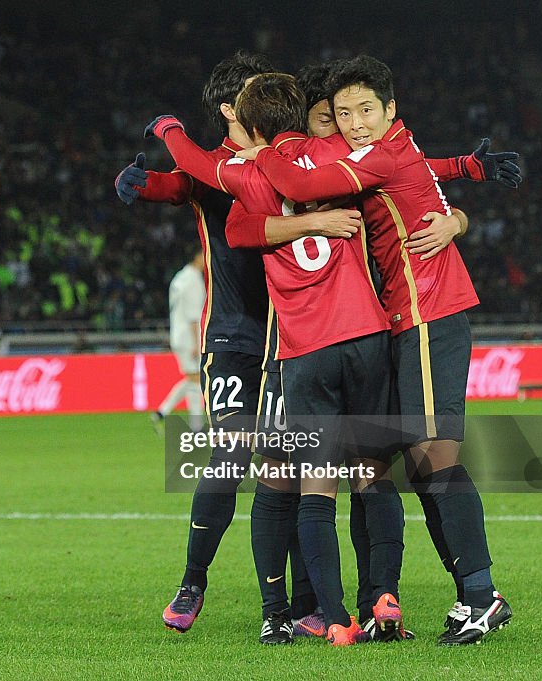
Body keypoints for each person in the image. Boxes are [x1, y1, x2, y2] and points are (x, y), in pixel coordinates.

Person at [239, 55, 513, 645]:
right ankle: (467, 595)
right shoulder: (384, 151)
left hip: (427, 312)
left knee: (435, 459)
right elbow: (424, 172)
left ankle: (481, 594)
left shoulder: (380, 153)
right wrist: (463, 185)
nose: (355, 122)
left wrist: (257, 147)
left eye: (366, 110)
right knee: (418, 464)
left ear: (390, 111)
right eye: (343, 115)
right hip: (402, 320)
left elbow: (302, 184)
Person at [116, 50, 361, 642]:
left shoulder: (290, 158)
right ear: (231, 107)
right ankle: (193, 580)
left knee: (294, 467)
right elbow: (177, 185)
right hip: (231, 335)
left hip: (294, 333)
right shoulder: (211, 169)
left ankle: (293, 605)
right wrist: (141, 183)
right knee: (227, 458)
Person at [150, 251, 206, 434]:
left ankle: (166, 414)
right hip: (189, 337)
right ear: (198, 256)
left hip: (178, 334)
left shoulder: (179, 278)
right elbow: (193, 315)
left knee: (192, 379)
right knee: (196, 380)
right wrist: (197, 343)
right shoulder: (193, 281)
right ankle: (168, 414)